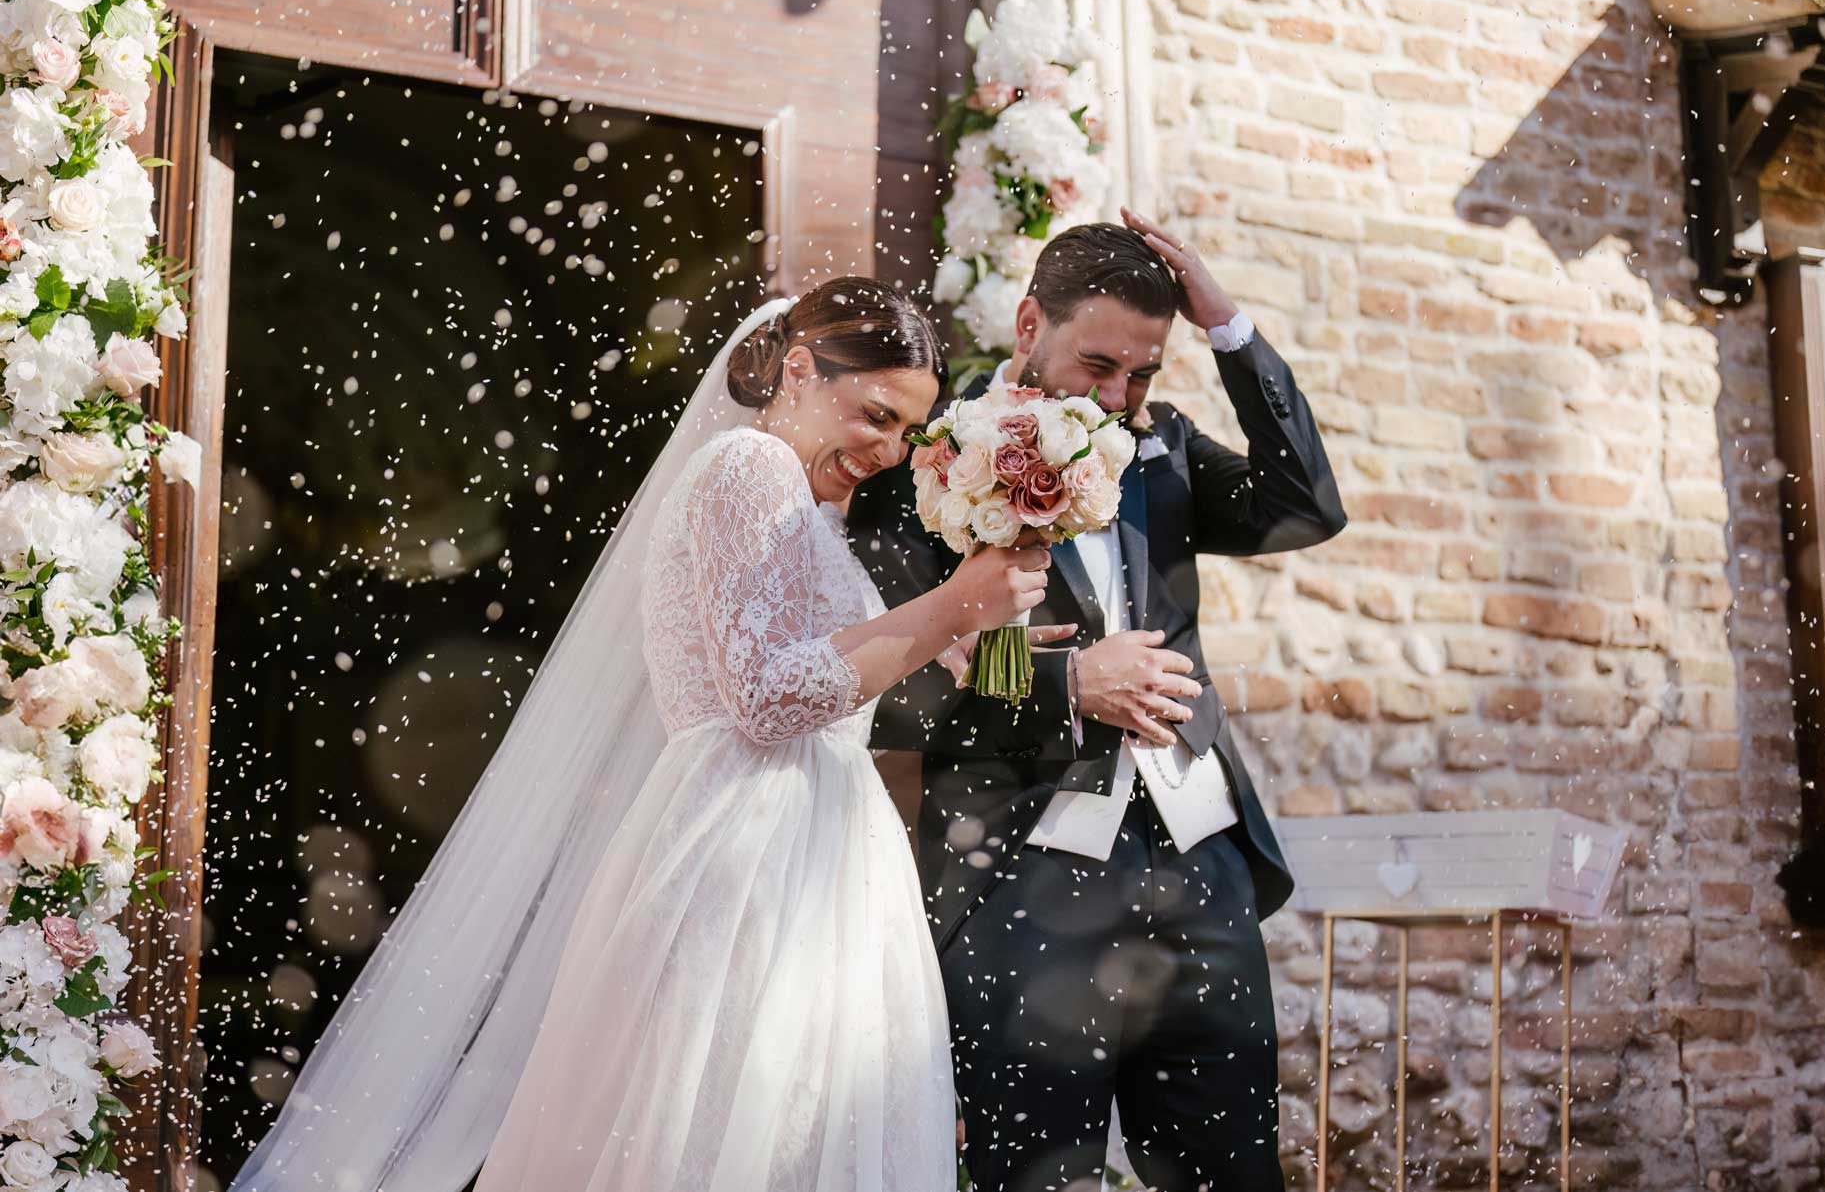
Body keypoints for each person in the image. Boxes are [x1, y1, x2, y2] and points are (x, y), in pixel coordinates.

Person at [227, 278, 1053, 1192]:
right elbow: (766, 698)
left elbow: (833, 661)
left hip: (822, 845)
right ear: (802, 368)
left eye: (906, 432)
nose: (889, 452)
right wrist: (942, 612)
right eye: (875, 416)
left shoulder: (814, 509)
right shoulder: (747, 467)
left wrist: (980, 636)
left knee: (793, 1122)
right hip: (745, 841)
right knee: (718, 1123)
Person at [849, 211, 1347, 1192]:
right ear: (1030, 322)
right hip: (1024, 880)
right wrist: (1068, 686)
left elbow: (1305, 506)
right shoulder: (923, 470)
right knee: (1038, 1175)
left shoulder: (1159, 451)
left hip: (1203, 865)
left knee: (1235, 1171)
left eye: (1144, 373)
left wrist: (1227, 325)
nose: (1120, 397)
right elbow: (891, 696)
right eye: (1099, 364)